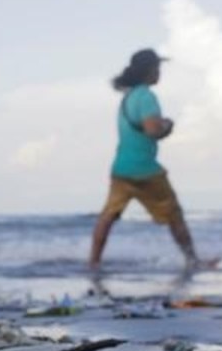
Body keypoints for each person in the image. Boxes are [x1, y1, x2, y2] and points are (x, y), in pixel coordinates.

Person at [89, 49, 214, 271]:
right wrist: (167, 126)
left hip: (120, 168)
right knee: (174, 214)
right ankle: (193, 261)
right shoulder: (147, 96)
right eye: (158, 68)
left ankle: (93, 262)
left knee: (108, 215)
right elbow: (152, 130)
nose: (159, 73)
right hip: (145, 170)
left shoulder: (128, 98)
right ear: (149, 71)